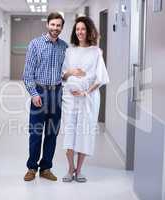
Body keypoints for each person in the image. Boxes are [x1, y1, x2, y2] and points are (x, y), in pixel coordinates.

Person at [23, 12, 75, 182]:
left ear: (62, 27)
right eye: (53, 25)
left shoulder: (64, 47)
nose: (55, 28)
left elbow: (64, 73)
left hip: (57, 93)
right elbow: (27, 73)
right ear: (48, 25)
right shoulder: (35, 44)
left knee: (52, 133)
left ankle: (46, 168)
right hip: (40, 92)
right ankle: (32, 167)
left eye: (58, 25)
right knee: (36, 133)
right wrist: (33, 94)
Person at [61, 16, 110, 183]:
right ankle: (70, 168)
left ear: (88, 31)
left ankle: (79, 170)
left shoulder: (96, 52)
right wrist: (72, 72)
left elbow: (100, 78)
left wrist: (85, 93)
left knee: (84, 132)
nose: (80, 32)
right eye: (77, 29)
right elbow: (63, 74)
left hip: (88, 98)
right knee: (69, 131)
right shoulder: (69, 51)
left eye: (83, 29)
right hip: (70, 98)